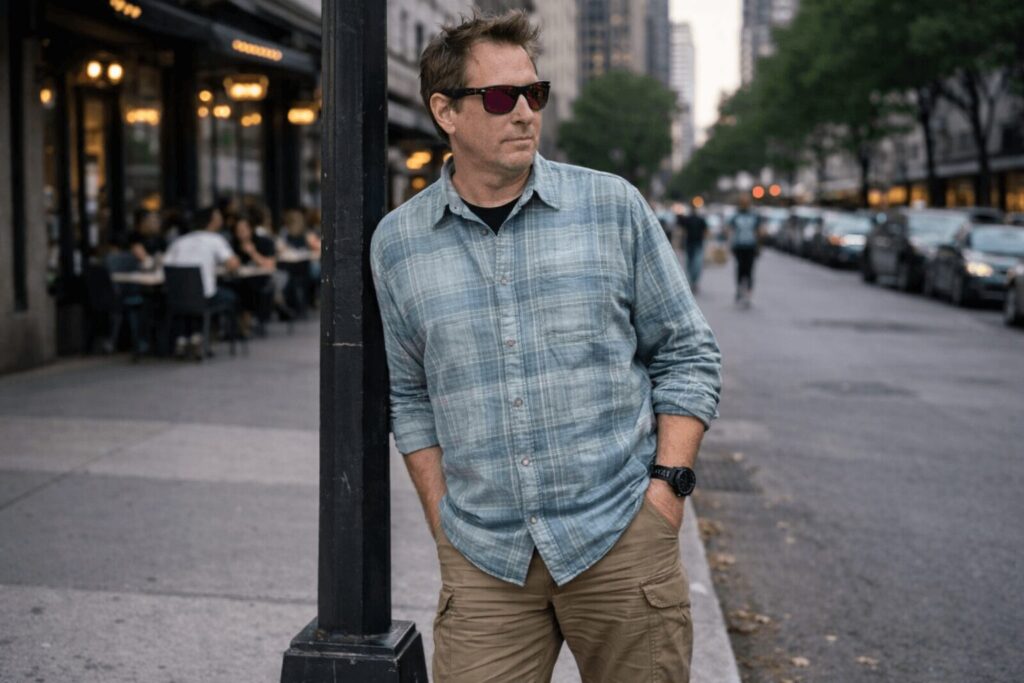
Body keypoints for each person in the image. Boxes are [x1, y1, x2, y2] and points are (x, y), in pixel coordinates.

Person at [369, 12, 722, 683]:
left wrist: (668, 489)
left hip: (620, 534)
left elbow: (687, 351)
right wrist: (444, 522)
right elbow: (410, 394)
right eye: (501, 98)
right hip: (485, 559)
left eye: (536, 93)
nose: (525, 112)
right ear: (445, 111)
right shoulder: (399, 242)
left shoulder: (612, 207)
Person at [164, 207, 240, 357]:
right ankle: (205, 336)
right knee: (229, 296)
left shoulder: (180, 241)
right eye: (218, 217)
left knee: (192, 299)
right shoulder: (215, 240)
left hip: (176, 297)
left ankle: (185, 338)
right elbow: (233, 264)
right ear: (212, 221)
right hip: (204, 297)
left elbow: (165, 265)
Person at [727, 198, 763, 305]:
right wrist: (729, 243)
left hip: (750, 246)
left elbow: (759, 231)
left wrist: (759, 245)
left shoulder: (754, 216)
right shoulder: (736, 216)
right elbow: (730, 229)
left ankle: (748, 293)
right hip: (739, 246)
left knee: (749, 270)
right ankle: (739, 290)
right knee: (740, 269)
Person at [679, 206, 708, 294]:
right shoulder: (688, 219)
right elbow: (683, 230)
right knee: (690, 264)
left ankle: (694, 281)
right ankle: (692, 281)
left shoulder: (700, 220)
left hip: (697, 244)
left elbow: (705, 231)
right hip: (690, 244)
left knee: (696, 264)